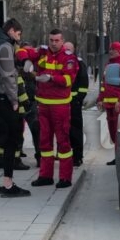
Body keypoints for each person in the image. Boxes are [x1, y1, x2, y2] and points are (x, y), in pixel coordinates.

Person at [0, 19, 30, 197]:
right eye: (18, 33)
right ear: (10, 30)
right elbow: (8, 75)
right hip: (4, 98)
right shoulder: (5, 47)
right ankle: (8, 184)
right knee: (11, 139)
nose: (18, 37)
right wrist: (14, 100)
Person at [24, 29, 78, 188]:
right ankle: (45, 175)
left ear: (62, 41)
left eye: (57, 40)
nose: (53, 43)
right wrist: (26, 60)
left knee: (63, 142)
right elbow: (22, 50)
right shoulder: (42, 52)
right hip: (43, 105)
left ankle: (65, 178)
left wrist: (52, 78)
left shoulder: (69, 58)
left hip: (60, 106)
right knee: (44, 142)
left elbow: (69, 79)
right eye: (51, 40)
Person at [98, 41, 120, 166]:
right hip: (109, 106)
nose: (110, 52)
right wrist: (100, 99)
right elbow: (104, 85)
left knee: (118, 133)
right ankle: (117, 157)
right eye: (110, 49)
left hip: (117, 106)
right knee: (112, 133)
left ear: (119, 52)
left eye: (113, 50)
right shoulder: (108, 66)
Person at [63, 41, 88, 167]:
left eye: (68, 49)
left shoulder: (78, 62)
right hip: (61, 102)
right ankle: (65, 153)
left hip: (73, 103)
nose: (66, 50)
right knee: (63, 130)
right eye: (65, 48)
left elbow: (84, 83)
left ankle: (78, 156)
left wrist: (78, 99)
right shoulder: (60, 61)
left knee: (75, 130)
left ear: (73, 50)